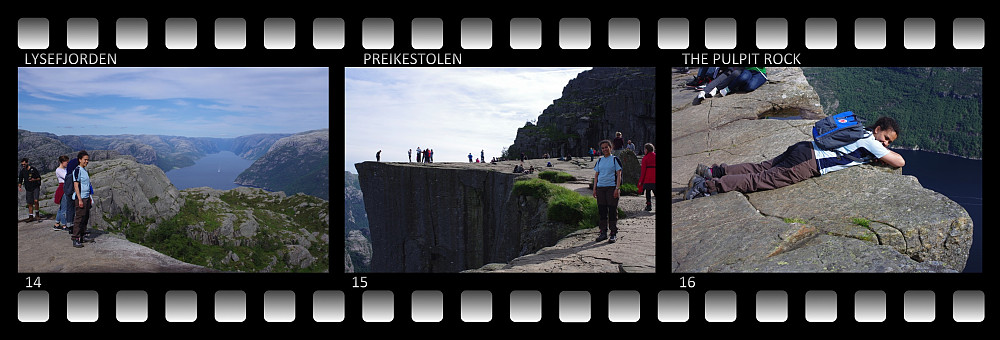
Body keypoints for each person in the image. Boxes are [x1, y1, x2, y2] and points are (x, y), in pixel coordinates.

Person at [686, 116, 905, 200]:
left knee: (761, 167)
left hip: (804, 147)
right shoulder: (870, 142)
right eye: (886, 138)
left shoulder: (861, 131)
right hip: (808, 163)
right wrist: (884, 153)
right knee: (760, 180)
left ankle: (715, 171)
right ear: (878, 129)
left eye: (889, 143)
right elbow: (899, 162)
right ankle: (708, 186)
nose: (885, 144)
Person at [592, 140, 623, 243]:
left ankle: (613, 233)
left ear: (611, 147)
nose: (604, 149)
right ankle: (603, 232)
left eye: (606, 147)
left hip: (611, 188)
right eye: (603, 148)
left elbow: (619, 175)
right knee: (602, 211)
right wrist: (594, 189)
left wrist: (617, 188)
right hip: (601, 188)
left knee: (612, 210)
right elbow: (596, 175)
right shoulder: (599, 161)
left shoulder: (615, 160)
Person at [71, 151, 93, 248]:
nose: (87, 161)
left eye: (87, 160)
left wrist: (89, 197)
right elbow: (76, 185)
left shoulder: (84, 170)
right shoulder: (77, 170)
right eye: (85, 159)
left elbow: (87, 185)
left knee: (85, 217)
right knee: (79, 218)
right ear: (80, 160)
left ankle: (82, 236)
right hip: (80, 198)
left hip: (86, 197)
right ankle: (75, 238)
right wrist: (79, 199)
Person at [18, 158, 42, 222]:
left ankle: (37, 214)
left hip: (35, 187)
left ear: (27, 163)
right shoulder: (22, 171)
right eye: (22, 164)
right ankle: (30, 216)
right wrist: (19, 186)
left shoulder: (33, 169)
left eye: (24, 164)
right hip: (28, 188)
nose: (23, 165)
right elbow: (20, 179)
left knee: (36, 200)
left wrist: (34, 180)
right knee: (30, 203)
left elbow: (39, 178)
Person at [54, 155, 70, 231]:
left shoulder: (65, 169)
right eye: (66, 162)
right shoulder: (58, 170)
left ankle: (57, 223)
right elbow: (66, 177)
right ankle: (64, 225)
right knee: (64, 208)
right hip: (62, 188)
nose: (67, 163)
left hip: (65, 187)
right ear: (62, 162)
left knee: (61, 208)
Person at [638, 144, 656, 211]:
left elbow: (643, 171)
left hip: (648, 178)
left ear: (647, 150)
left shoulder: (645, 158)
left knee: (648, 193)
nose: (644, 151)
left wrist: (641, 181)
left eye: (645, 149)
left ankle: (649, 206)